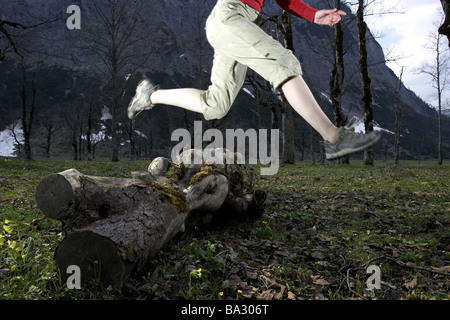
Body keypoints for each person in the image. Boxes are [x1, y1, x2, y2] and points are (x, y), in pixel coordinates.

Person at [128, 0, 380, 160]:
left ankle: (150, 95)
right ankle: (333, 137)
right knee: (283, 62)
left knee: (216, 104)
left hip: (230, 23)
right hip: (230, 15)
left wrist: (313, 15)